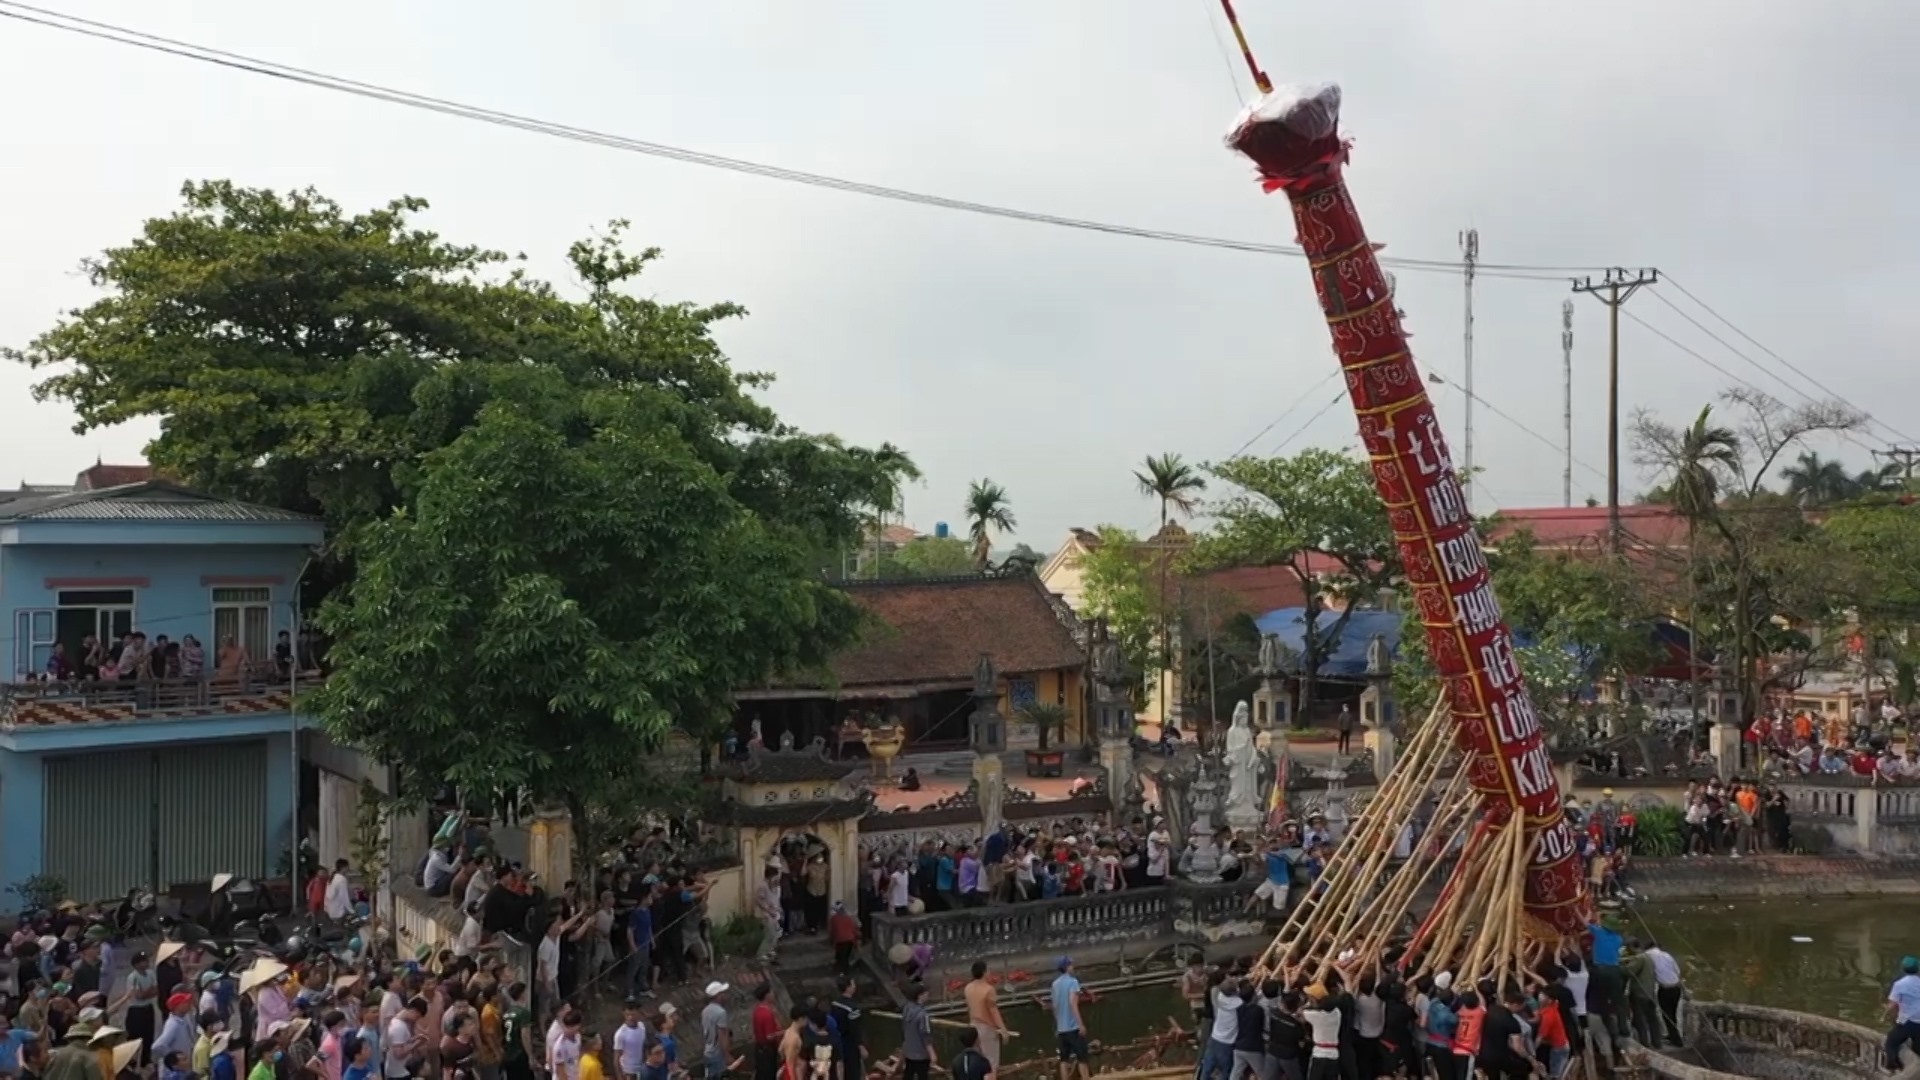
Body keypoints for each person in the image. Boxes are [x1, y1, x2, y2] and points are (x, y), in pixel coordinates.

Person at [964, 962, 1011, 1072]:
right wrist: (1003, 1029)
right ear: (984, 972)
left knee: (977, 1062)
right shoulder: (989, 989)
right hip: (986, 1028)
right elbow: (993, 1011)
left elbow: (969, 1008)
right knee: (991, 1063)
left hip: (973, 1026)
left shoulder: (968, 988)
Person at [1050, 958, 1090, 1080]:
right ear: (1067, 967)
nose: (1073, 966)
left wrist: (1058, 1025)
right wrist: (1080, 1024)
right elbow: (1073, 1004)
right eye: (1071, 964)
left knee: (1064, 1059)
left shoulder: (1054, 984)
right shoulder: (1073, 982)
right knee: (1082, 1058)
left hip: (1062, 1028)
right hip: (1073, 1027)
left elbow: (1055, 1006)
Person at [1641, 940, 1685, 1048]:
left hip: (1665, 989)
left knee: (1666, 1015)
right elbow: (1677, 972)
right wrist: (1684, 990)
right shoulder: (1667, 955)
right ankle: (1673, 1035)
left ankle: (1677, 1041)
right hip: (1676, 988)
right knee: (1673, 1014)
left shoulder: (1646, 956)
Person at [1884, 955, 1920, 1071]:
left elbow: (1893, 1004)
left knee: (1891, 1042)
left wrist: (1885, 1012)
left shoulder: (1899, 984)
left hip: (1907, 1022)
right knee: (1917, 1049)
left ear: (1903, 969)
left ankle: (1893, 1065)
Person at [1301, 986, 1342, 1080]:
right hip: (1334, 1054)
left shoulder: (1315, 1016)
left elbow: (1300, 1012)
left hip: (1318, 1054)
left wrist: (1309, 1003)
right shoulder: (1337, 1013)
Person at [830, 977, 863, 1080]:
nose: (854, 986)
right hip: (850, 1043)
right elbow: (855, 1028)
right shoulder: (853, 1008)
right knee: (853, 1070)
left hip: (837, 1040)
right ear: (848, 988)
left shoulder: (834, 1004)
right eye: (853, 984)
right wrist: (861, 1045)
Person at [899, 983, 933, 1080]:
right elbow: (926, 1035)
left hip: (909, 1050)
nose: (928, 994)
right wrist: (932, 1053)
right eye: (926, 993)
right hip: (921, 1053)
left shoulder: (906, 1008)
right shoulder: (922, 1015)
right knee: (923, 1075)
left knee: (908, 1073)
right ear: (920, 996)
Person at [700, 983, 732, 1080]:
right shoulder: (721, 1012)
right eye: (723, 993)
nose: (725, 995)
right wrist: (727, 1055)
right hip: (718, 1054)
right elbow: (722, 1036)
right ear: (718, 996)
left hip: (708, 1052)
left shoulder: (705, 1011)